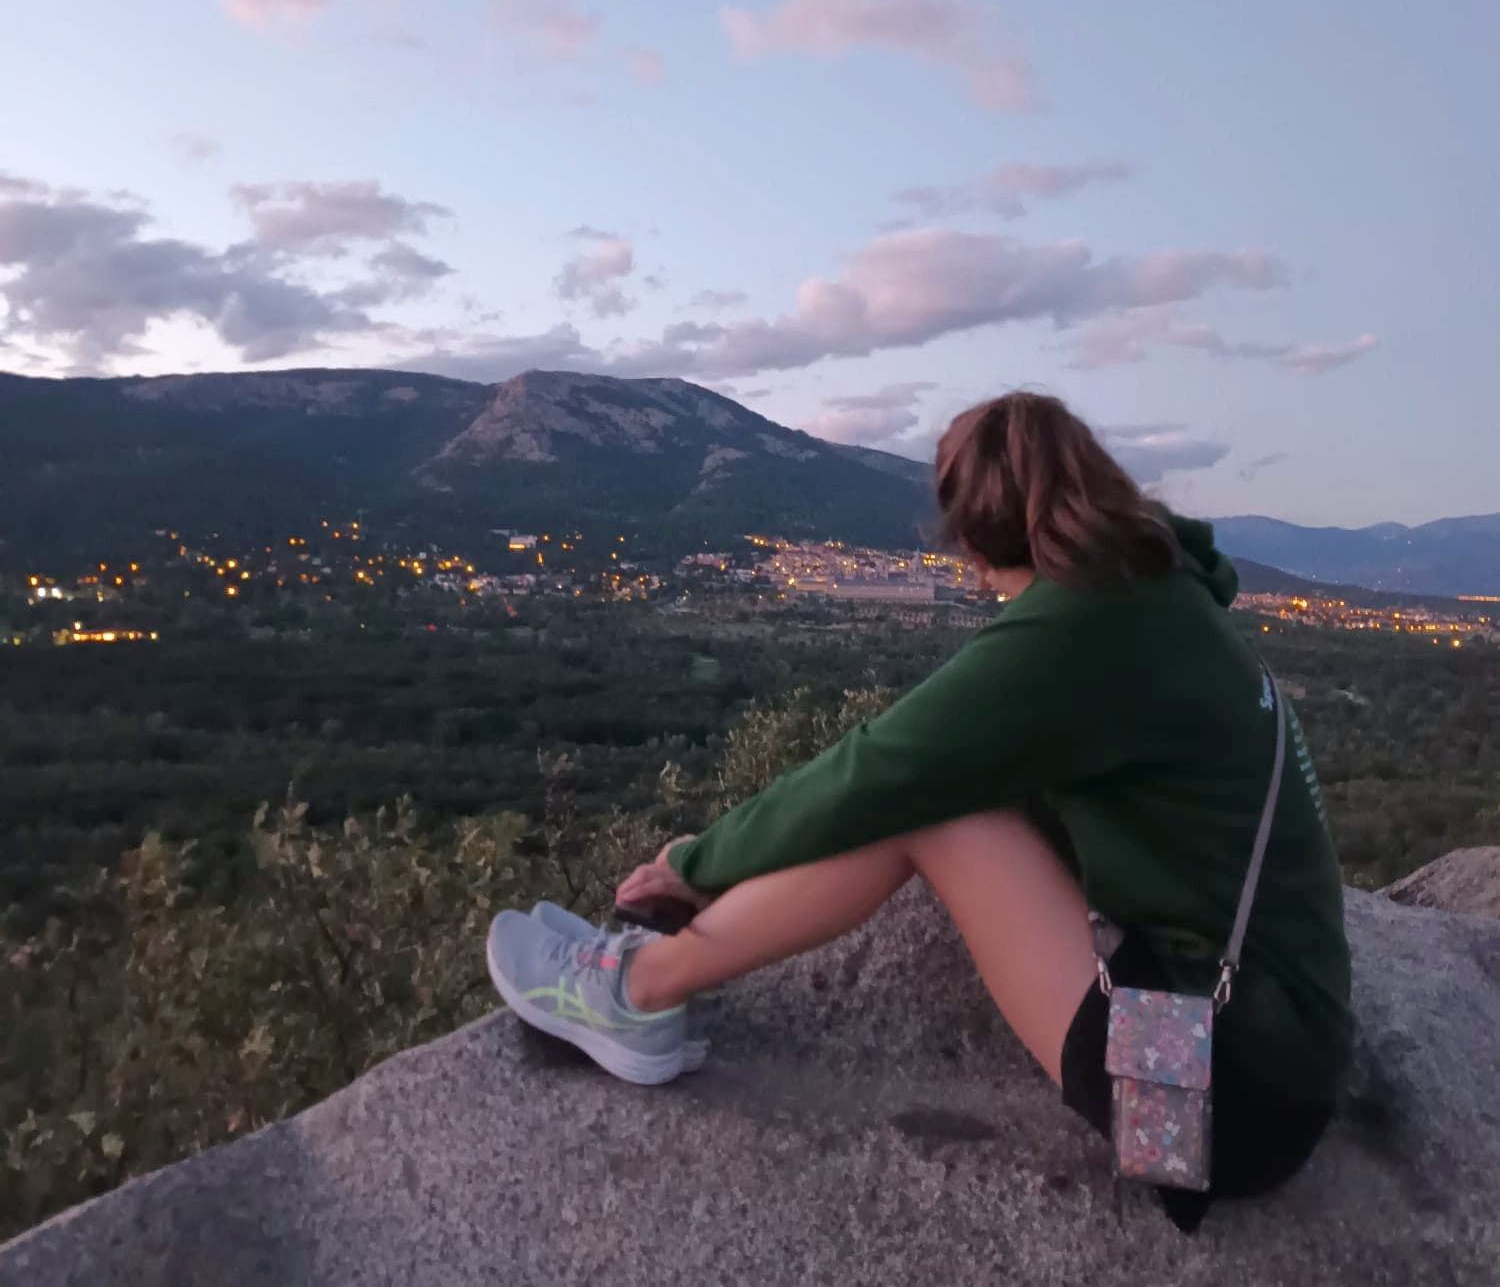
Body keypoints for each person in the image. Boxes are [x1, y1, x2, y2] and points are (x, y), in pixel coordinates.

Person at [487, 391, 1353, 1230]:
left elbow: (876, 772)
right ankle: (668, 965)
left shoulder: (1089, 626)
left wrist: (699, 862)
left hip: (1221, 1101)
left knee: (926, 810)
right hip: (1273, 1061)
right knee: (951, 793)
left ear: (974, 540)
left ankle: (635, 992)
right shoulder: (1160, 595)